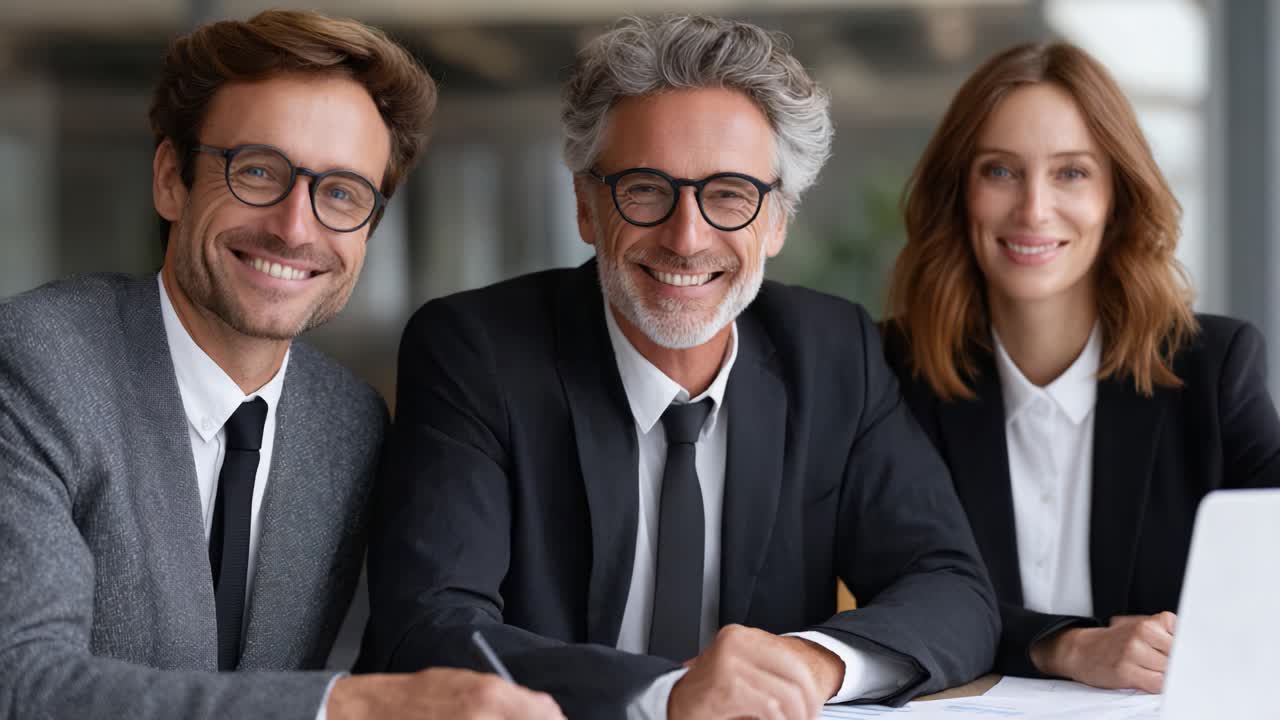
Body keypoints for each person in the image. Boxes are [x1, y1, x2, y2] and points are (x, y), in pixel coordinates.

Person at [358, 14, 998, 719]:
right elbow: (430, 629)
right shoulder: (477, 352)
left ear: (777, 221)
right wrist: (663, 696)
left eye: (729, 194)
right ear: (586, 207)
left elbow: (952, 589)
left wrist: (813, 663)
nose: (687, 238)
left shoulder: (833, 352)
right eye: (645, 188)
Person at [0, 10, 562, 720]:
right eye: (258, 171)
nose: (295, 228)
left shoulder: (349, 423)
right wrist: (349, 707)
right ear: (171, 179)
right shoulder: (34, 363)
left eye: (341, 193)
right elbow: (22, 683)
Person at [882, 41, 1280, 694]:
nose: (1034, 210)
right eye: (1000, 171)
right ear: (959, 193)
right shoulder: (892, 375)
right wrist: (1066, 647)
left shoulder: (1212, 370)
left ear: (1117, 196)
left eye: (1071, 173)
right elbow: (896, 593)